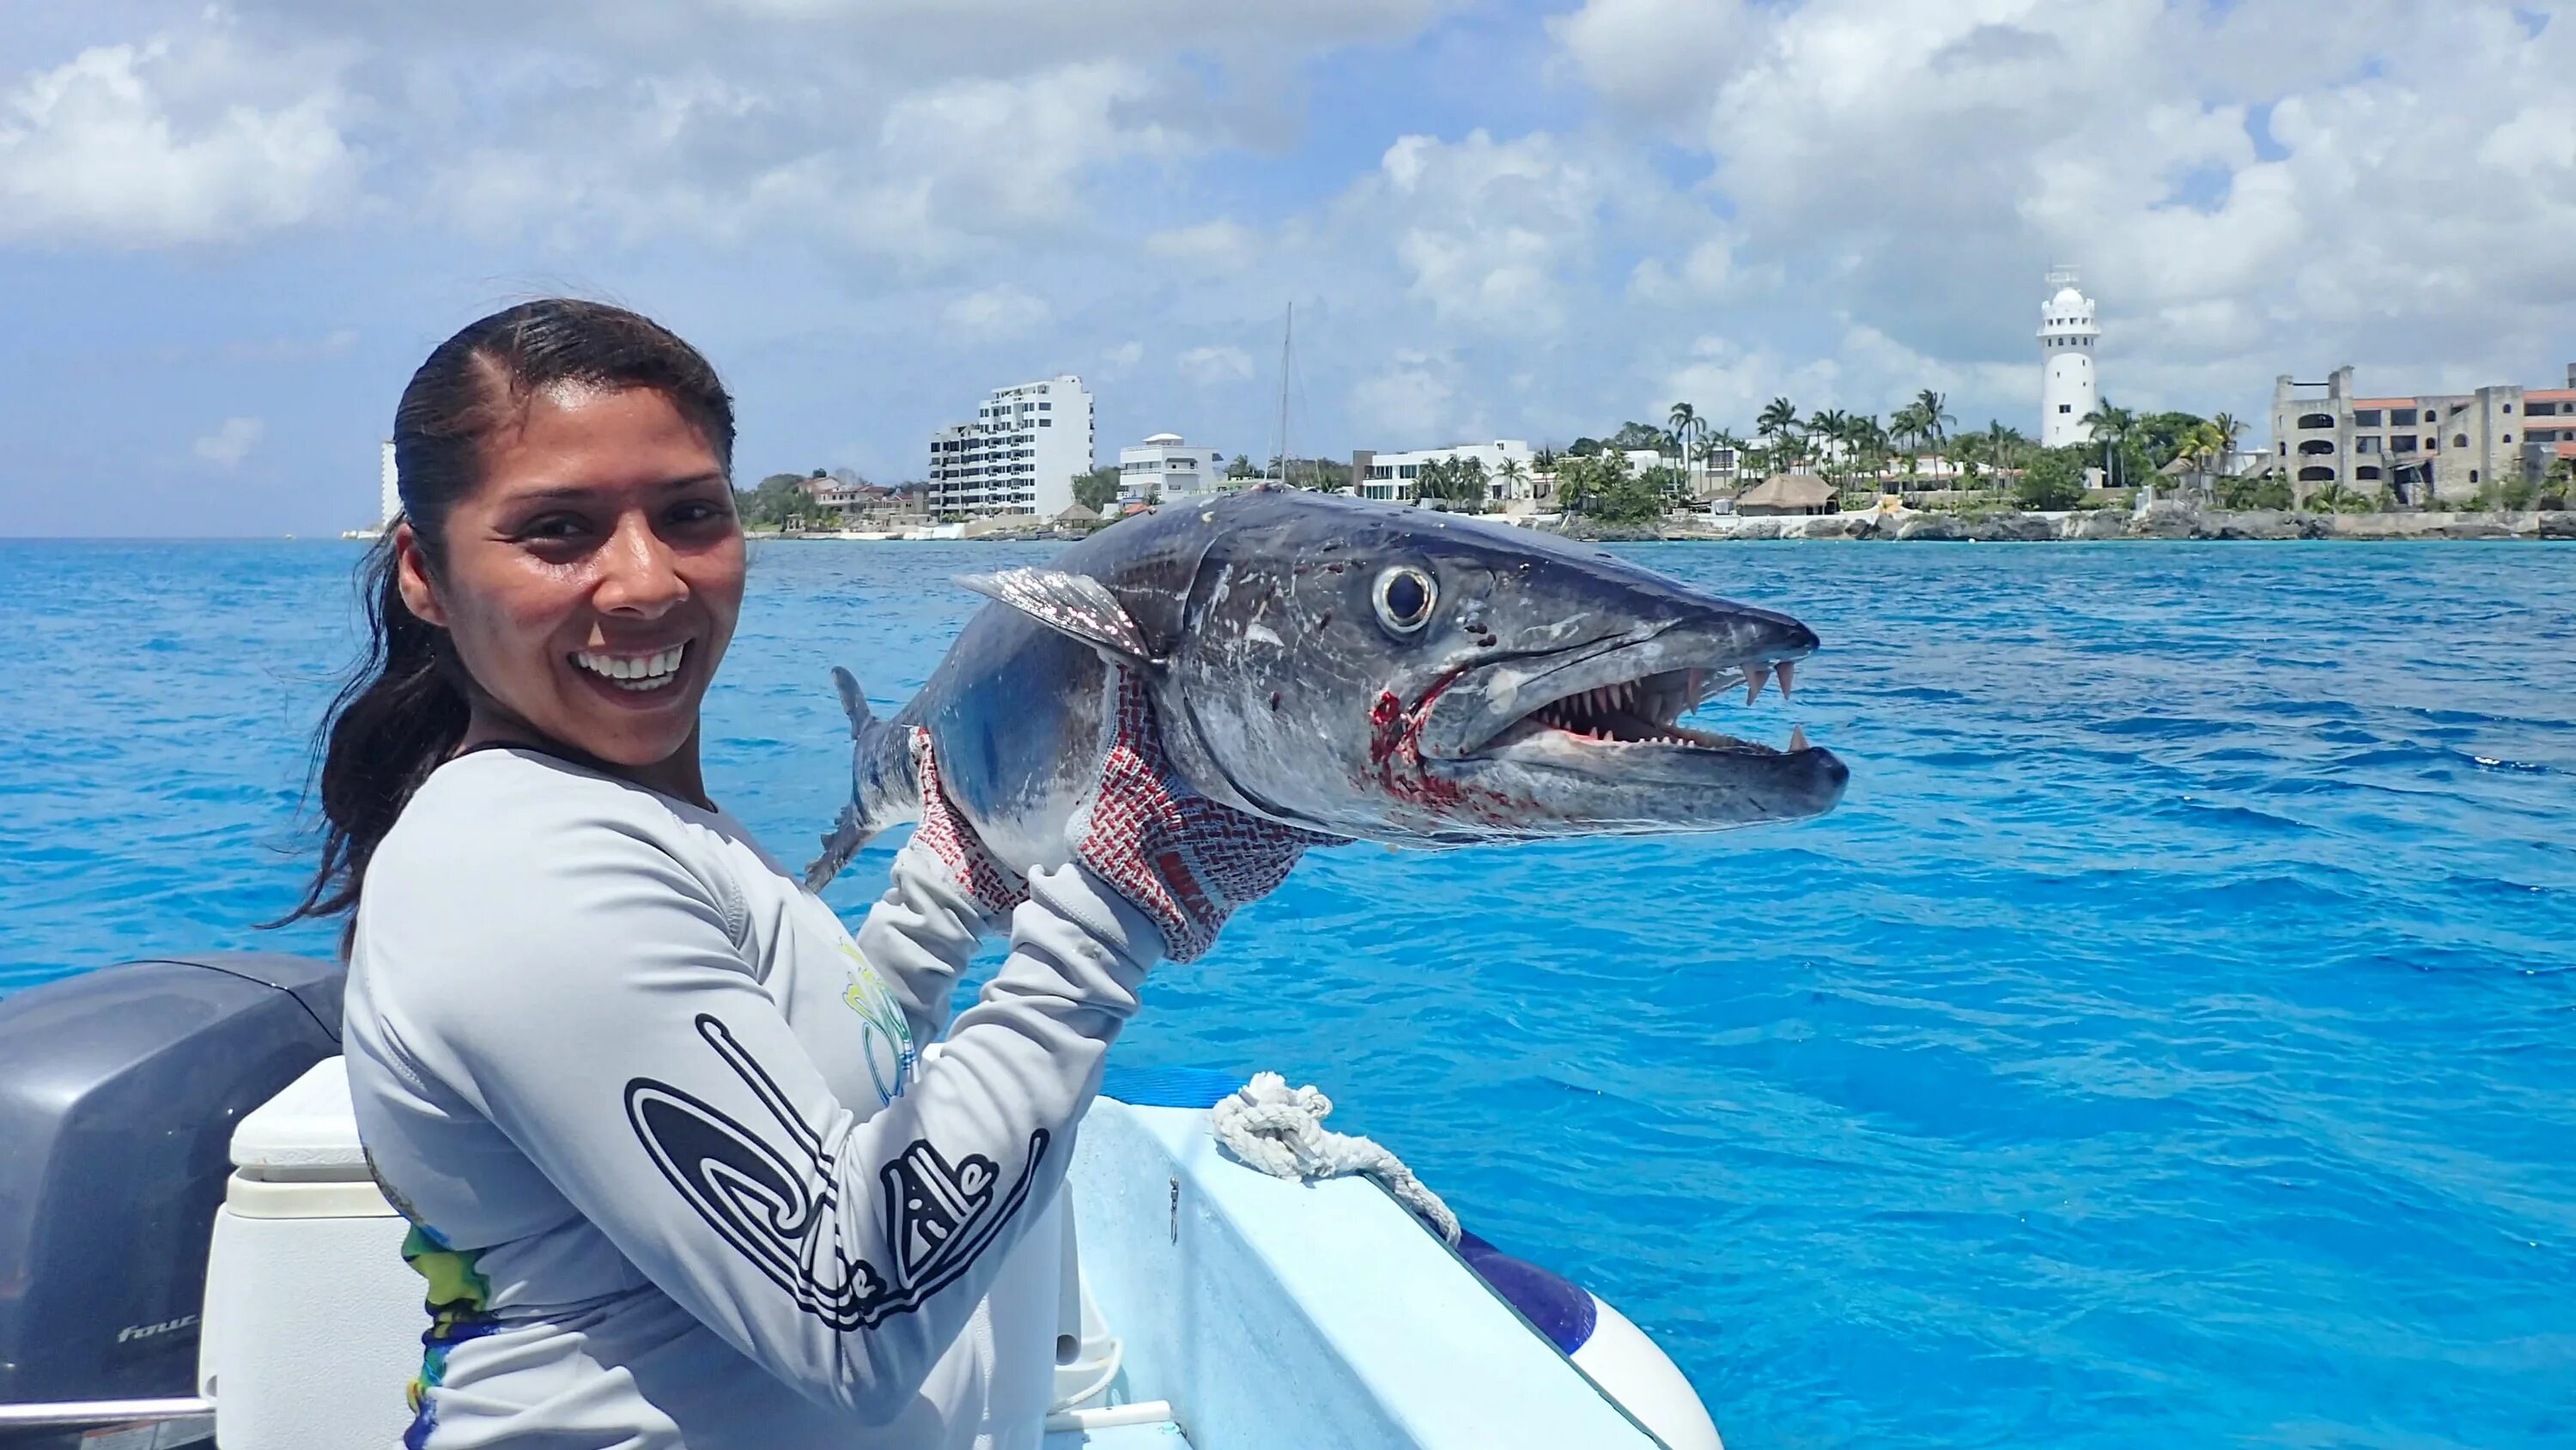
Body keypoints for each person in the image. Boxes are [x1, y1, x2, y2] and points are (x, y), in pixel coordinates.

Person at [279, 299, 1311, 1448]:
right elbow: (850, 1307)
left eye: (689, 514)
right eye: (558, 531)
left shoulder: (633, 813)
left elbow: (808, 1065)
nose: (644, 582)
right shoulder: (511, 865)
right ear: (426, 570)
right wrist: (1117, 909)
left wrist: (942, 896)